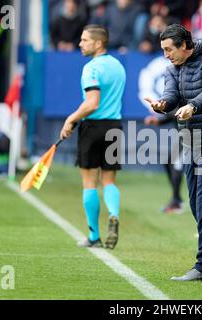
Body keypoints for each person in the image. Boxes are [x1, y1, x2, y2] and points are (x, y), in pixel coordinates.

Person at [144, 24, 202, 281]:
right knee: (195, 202)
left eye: (169, 49)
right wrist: (163, 106)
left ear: (185, 45)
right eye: (163, 50)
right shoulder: (172, 68)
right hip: (190, 140)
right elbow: (171, 97)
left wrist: (193, 105)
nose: (166, 55)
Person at [60, 25, 126, 249]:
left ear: (98, 43)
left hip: (93, 128)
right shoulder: (118, 66)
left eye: (85, 40)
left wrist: (71, 119)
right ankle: (114, 214)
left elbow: (92, 103)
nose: (80, 44)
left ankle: (94, 235)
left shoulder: (91, 68)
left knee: (89, 183)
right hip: (115, 126)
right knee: (109, 181)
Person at [144, 111, 184, 213]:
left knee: (176, 164)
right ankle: (177, 199)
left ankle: (176, 202)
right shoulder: (178, 101)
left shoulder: (190, 99)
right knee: (169, 162)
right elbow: (172, 114)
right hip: (184, 139)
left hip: (197, 137)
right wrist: (157, 120)